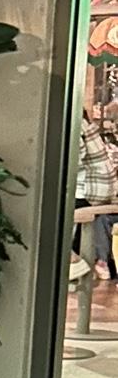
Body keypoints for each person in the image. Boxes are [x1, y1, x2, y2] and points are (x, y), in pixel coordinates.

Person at [73, 108, 118, 281]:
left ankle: (75, 262)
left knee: (54, 213)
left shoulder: (77, 127)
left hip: (89, 190)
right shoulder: (88, 127)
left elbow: (72, 162)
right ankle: (80, 263)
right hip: (101, 189)